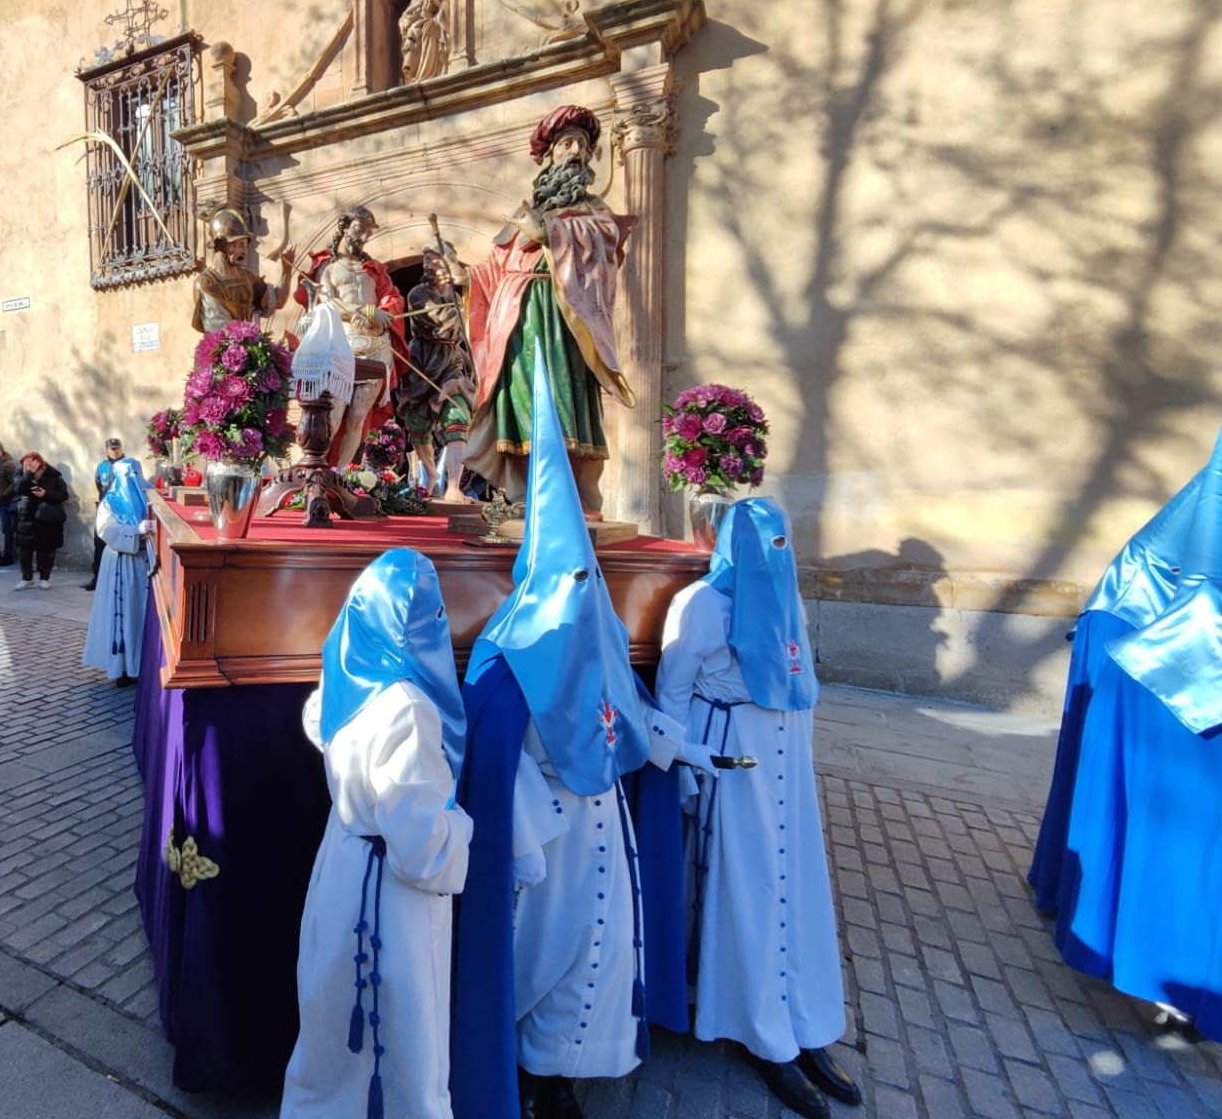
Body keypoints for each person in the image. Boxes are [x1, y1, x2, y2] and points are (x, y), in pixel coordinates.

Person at [451, 355, 711, 1119]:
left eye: (586, 582)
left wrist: (674, 744)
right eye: (567, 584)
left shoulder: (595, 639)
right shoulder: (509, 656)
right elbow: (495, 754)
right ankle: (533, 1068)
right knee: (543, 954)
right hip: (551, 838)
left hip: (605, 826)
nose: (580, 597)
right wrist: (527, 829)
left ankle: (568, 1069)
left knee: (601, 947)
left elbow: (625, 712)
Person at [655, 499, 858, 1119]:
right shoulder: (698, 606)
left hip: (786, 767)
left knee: (796, 886)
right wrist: (691, 772)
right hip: (734, 762)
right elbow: (671, 693)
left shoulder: (787, 598)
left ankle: (803, 1019)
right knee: (750, 890)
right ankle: (759, 1028)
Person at [280, 548, 473, 1119]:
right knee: (402, 1039)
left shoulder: (344, 672)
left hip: (342, 863)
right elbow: (419, 848)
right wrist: (461, 827)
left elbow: (318, 722)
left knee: (332, 1022)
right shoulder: (409, 706)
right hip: (391, 897)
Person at [1053, 425, 1222, 1042]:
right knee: (1180, 825)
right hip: (1186, 651)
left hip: (1176, 634)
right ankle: (1166, 976)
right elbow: (1206, 591)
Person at [462, 105, 636, 516]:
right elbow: (496, 267)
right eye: (566, 143)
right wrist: (464, 276)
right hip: (516, 318)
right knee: (519, 400)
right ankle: (526, 494)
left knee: (561, 397)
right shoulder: (528, 210)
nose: (575, 151)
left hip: (562, 316)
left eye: (581, 144)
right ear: (550, 156)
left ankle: (569, 495)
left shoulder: (593, 211)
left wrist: (550, 234)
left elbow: (607, 245)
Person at [293, 205, 407, 469]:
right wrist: (364, 310)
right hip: (342, 347)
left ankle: (339, 474)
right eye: (359, 229)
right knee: (333, 413)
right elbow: (327, 302)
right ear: (344, 228)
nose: (364, 237)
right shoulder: (328, 266)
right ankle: (315, 467)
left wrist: (383, 312)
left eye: (368, 232)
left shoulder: (375, 269)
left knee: (357, 417)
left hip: (375, 347)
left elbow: (392, 298)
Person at [397, 240, 476, 502]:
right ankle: (430, 475)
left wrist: (460, 286)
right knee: (418, 425)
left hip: (451, 361)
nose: (428, 265)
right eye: (426, 260)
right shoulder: (418, 294)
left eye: (434, 259)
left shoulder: (462, 293)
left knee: (458, 415)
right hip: (422, 359)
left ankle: (453, 486)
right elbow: (439, 325)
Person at [82, 458, 151, 685]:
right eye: (125, 475)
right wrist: (134, 530)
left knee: (141, 615)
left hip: (146, 562)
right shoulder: (110, 502)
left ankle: (143, 665)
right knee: (122, 615)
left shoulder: (150, 497)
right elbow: (105, 529)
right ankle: (121, 667)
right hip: (121, 563)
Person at [190, 206, 295, 334]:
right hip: (227, 352)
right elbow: (219, 331)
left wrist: (287, 270)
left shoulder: (247, 278)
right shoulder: (207, 283)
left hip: (250, 348)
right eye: (238, 245)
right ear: (220, 245)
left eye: (244, 245)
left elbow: (278, 301)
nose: (244, 251)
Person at [14, 451, 69, 589]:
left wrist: (46, 494)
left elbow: (63, 495)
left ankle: (45, 578)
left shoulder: (53, 476)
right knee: (25, 550)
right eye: (24, 462)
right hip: (27, 516)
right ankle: (27, 578)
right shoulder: (21, 474)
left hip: (47, 517)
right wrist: (28, 474)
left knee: (46, 549)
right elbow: (18, 489)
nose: (26, 465)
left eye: (30, 462)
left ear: (38, 462)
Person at [86, 438, 128, 589]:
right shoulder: (102, 466)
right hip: (105, 507)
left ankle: (120, 579)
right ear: (107, 450)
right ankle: (97, 578)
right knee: (99, 543)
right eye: (112, 449)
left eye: (117, 448)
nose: (115, 451)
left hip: (123, 509)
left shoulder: (128, 464)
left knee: (121, 542)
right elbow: (98, 484)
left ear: (121, 449)